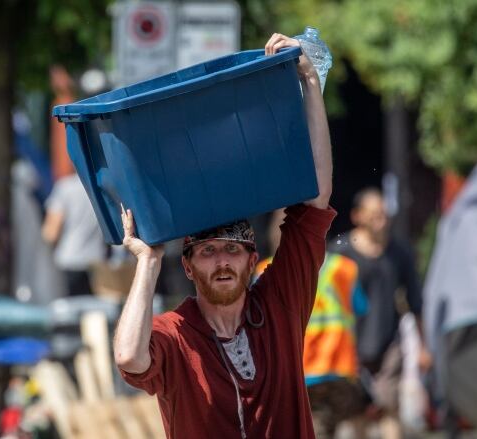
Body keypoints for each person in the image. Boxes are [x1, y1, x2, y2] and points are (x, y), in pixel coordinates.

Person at [113, 33, 334, 439]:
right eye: (208, 252)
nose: (222, 262)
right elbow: (129, 355)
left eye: (233, 250)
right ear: (190, 266)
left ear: (253, 260)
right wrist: (148, 261)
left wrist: (310, 83)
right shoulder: (174, 332)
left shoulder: (281, 306)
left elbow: (315, 200)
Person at [254, 208, 369, 439]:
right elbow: (361, 309)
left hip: (297, 370)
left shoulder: (264, 271)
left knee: (311, 427)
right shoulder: (344, 268)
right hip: (339, 367)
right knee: (348, 421)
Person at [328, 187, 431, 439]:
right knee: (357, 413)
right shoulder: (340, 251)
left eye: (384, 214)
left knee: (388, 408)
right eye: (374, 215)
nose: (381, 221)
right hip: (352, 345)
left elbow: (415, 301)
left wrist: (424, 347)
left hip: (389, 343)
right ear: (357, 216)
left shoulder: (400, 252)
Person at [41, 174, 106, 295]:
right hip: (97, 260)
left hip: (69, 260)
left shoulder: (65, 188)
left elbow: (51, 233)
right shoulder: (101, 187)